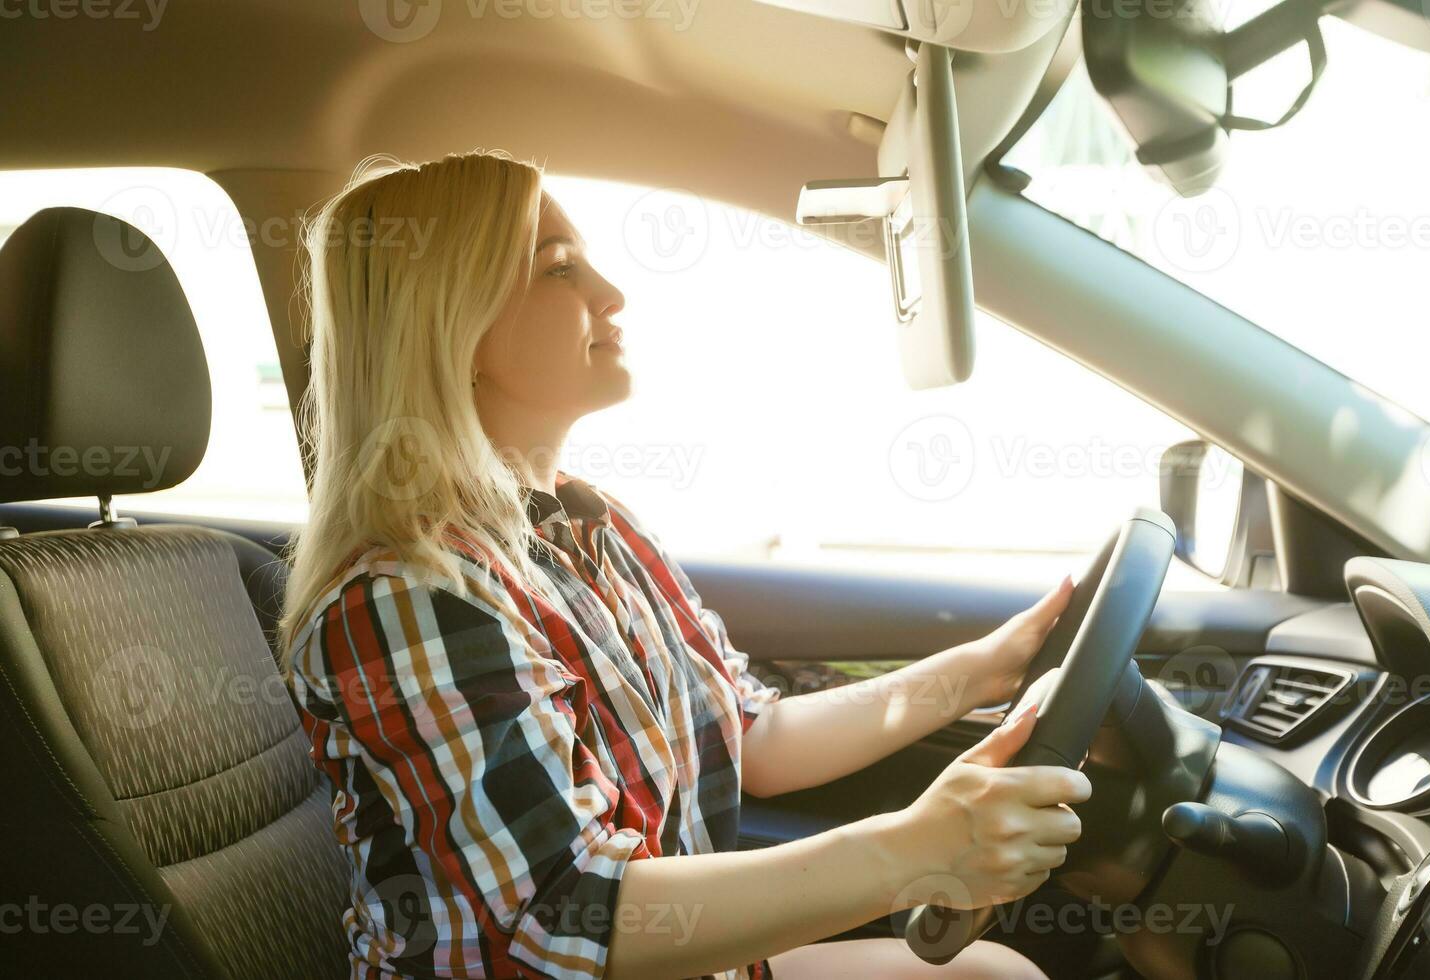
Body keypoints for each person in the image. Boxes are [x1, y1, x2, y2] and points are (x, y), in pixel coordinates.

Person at [277, 149, 1089, 980]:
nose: (609, 293)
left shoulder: (596, 527)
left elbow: (750, 734)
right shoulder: (405, 598)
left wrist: (986, 669)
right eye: (559, 268)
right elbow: (575, 916)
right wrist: (916, 850)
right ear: (455, 326)